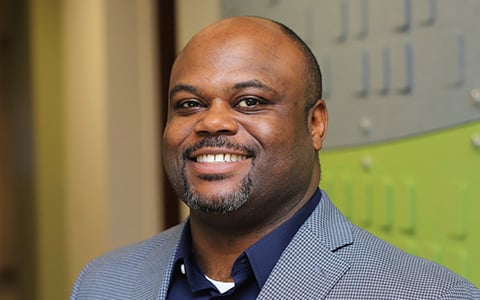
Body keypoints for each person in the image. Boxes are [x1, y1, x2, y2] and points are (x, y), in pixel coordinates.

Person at [70, 16, 480, 299]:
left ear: (315, 124)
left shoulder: (428, 294)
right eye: (189, 104)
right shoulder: (104, 283)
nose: (212, 121)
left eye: (249, 101)